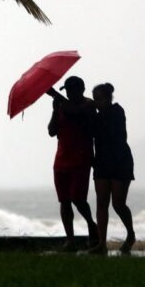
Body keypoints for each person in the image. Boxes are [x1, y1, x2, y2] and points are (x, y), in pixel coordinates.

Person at [46, 76, 98, 251]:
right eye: (66, 90)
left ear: (81, 90)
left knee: (78, 198)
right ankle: (70, 240)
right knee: (64, 200)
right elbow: (51, 131)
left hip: (81, 159)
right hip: (61, 159)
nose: (68, 93)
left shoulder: (89, 105)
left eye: (71, 90)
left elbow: (77, 112)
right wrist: (55, 110)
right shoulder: (62, 106)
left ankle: (92, 225)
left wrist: (54, 94)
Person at [90, 83, 135, 254]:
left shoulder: (117, 111)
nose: (96, 103)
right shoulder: (95, 117)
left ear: (109, 98)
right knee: (101, 203)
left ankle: (130, 234)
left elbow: (114, 133)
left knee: (118, 204)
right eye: (94, 99)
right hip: (101, 161)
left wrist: (90, 108)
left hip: (120, 161)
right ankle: (102, 243)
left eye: (99, 99)